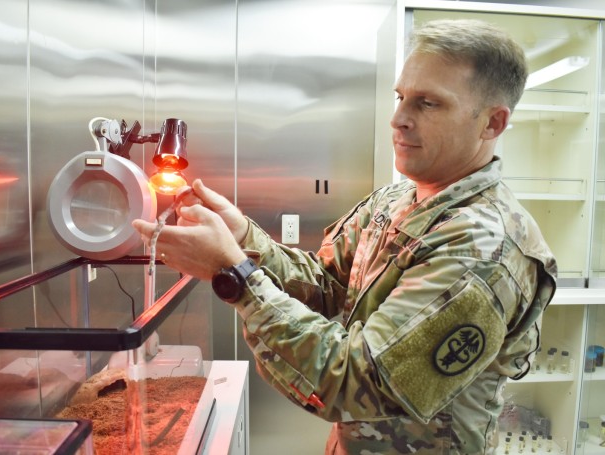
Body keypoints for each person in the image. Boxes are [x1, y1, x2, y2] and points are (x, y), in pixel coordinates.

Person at [133, 18, 557, 455]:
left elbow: (357, 382)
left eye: (428, 104)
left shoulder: (483, 249)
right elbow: (327, 287)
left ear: (492, 123)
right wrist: (243, 236)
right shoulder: (396, 201)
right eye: (400, 97)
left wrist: (234, 274)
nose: (398, 119)